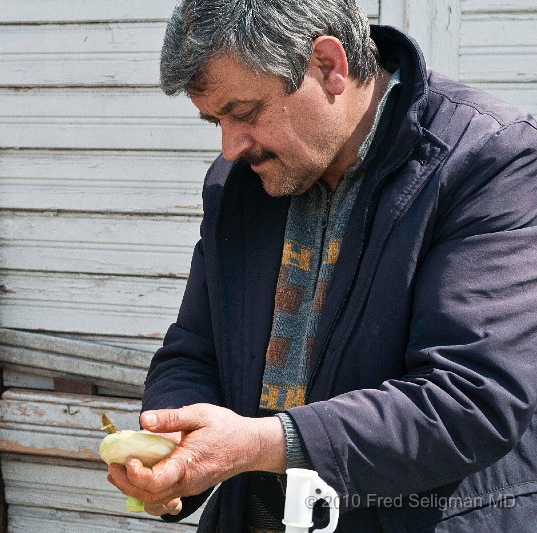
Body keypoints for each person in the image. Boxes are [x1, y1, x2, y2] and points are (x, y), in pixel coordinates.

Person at [106, 0, 537, 531]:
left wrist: (261, 444)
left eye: (243, 113)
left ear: (330, 66)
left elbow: (470, 400)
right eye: (215, 120)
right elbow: (192, 353)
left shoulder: (489, 160)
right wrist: (176, 450)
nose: (230, 146)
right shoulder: (237, 184)